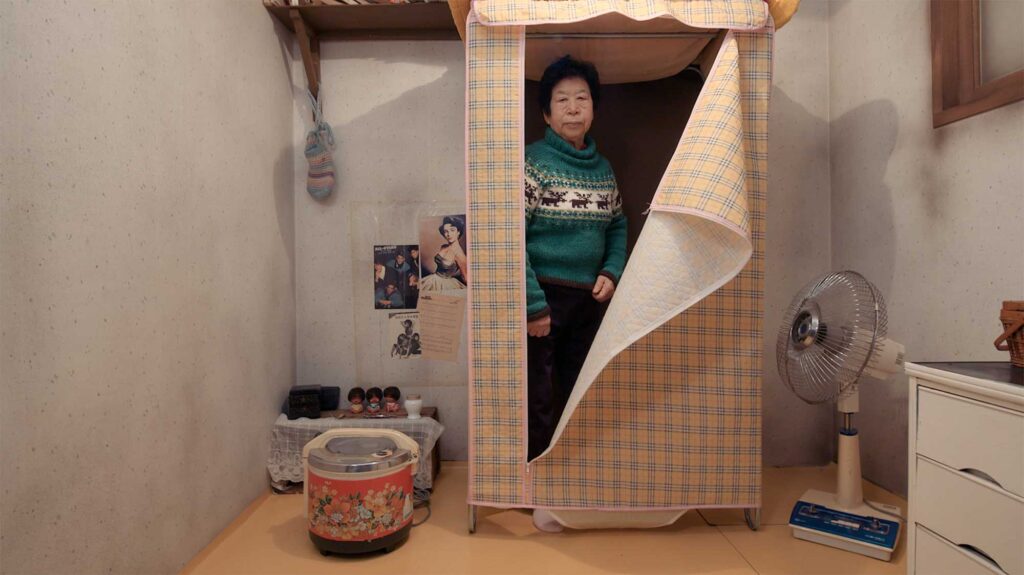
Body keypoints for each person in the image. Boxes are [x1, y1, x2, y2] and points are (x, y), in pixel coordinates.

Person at [525, 55, 626, 464]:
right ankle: (536, 477)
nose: (572, 108)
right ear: (547, 114)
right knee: (540, 396)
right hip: (542, 298)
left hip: (588, 301)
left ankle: (571, 471)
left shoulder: (603, 169)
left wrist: (611, 270)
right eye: (562, 100)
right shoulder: (533, 162)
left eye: (581, 99)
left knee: (579, 388)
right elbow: (507, 236)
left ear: (594, 110)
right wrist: (533, 306)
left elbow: (618, 225)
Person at [420, 215, 468, 292]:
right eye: (446, 231)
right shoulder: (444, 246)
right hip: (432, 280)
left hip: (446, 285)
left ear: (458, 232)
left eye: (452, 230)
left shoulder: (460, 255)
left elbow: (466, 278)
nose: (448, 234)